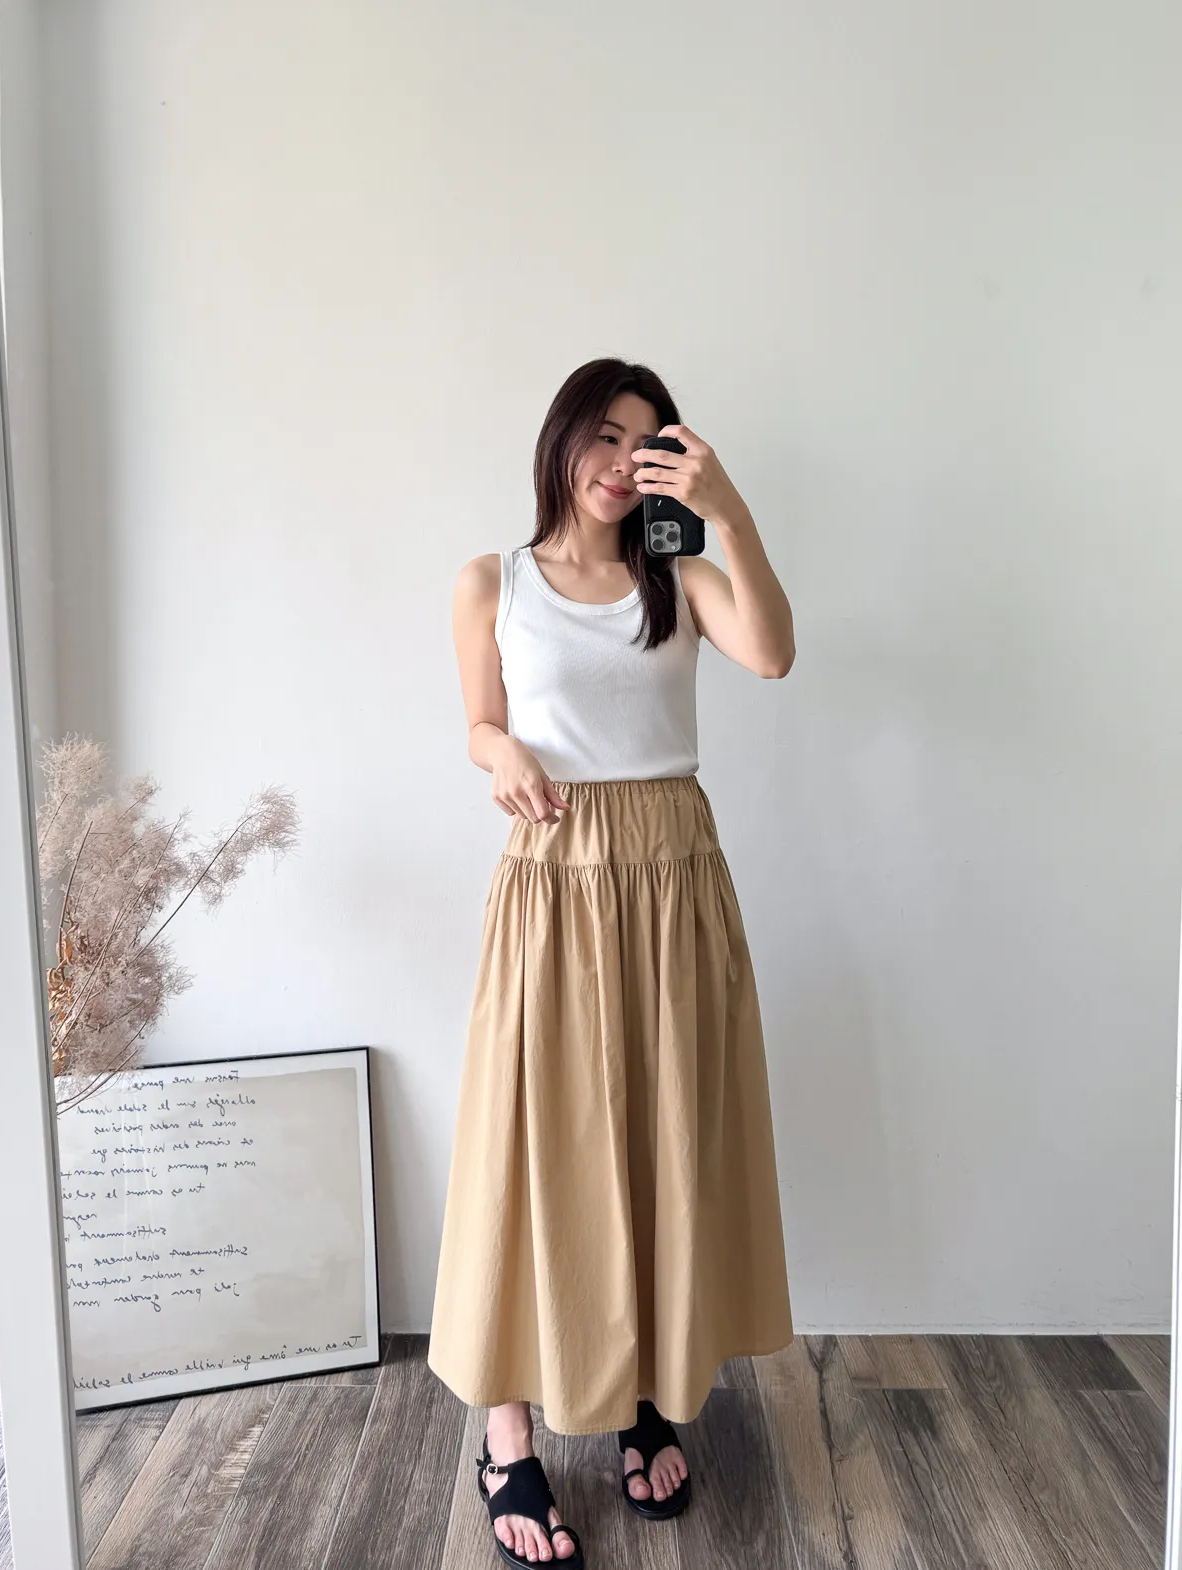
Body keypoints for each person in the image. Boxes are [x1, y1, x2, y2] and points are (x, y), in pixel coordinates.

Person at [427, 357, 796, 1567]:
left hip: (674, 872)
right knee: (530, 1145)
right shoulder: (491, 581)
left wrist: (726, 509)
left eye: (646, 443)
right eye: (602, 434)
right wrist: (501, 756)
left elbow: (773, 653)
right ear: (561, 440)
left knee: (657, 1139)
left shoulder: (677, 573)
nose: (618, 462)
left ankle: (641, 1391)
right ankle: (507, 1435)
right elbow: (480, 723)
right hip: (554, 876)